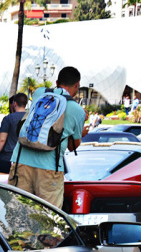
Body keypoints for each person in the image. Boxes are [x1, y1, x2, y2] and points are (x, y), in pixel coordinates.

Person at [9, 66, 86, 208]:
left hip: (21, 162)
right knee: (48, 219)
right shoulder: (77, 110)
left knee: (18, 214)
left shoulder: (39, 93)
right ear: (77, 85)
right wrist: (82, 134)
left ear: (57, 81)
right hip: (50, 168)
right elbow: (72, 146)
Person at [0, 92, 28, 174]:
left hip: (7, 158)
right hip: (25, 159)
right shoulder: (31, 118)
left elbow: (1, 139)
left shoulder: (9, 118)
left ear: (15, 103)